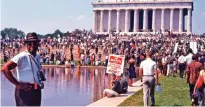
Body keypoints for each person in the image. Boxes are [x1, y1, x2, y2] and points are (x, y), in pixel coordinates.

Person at [1, 32, 43, 106]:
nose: (32, 45)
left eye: (34, 43)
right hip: (25, 91)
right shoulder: (22, 56)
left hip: (36, 89)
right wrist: (17, 84)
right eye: (30, 43)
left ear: (38, 44)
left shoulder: (37, 56)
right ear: (26, 44)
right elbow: (5, 69)